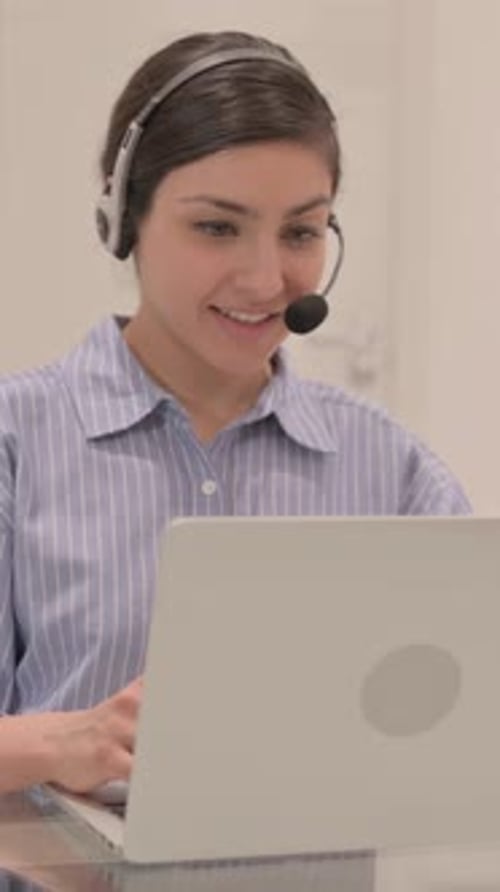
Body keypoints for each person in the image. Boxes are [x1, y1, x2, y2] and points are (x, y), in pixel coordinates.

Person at [0, 30, 470, 795]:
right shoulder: (16, 443)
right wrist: (58, 742)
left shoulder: (393, 469)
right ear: (124, 223)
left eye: (300, 233)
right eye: (217, 227)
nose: (265, 279)